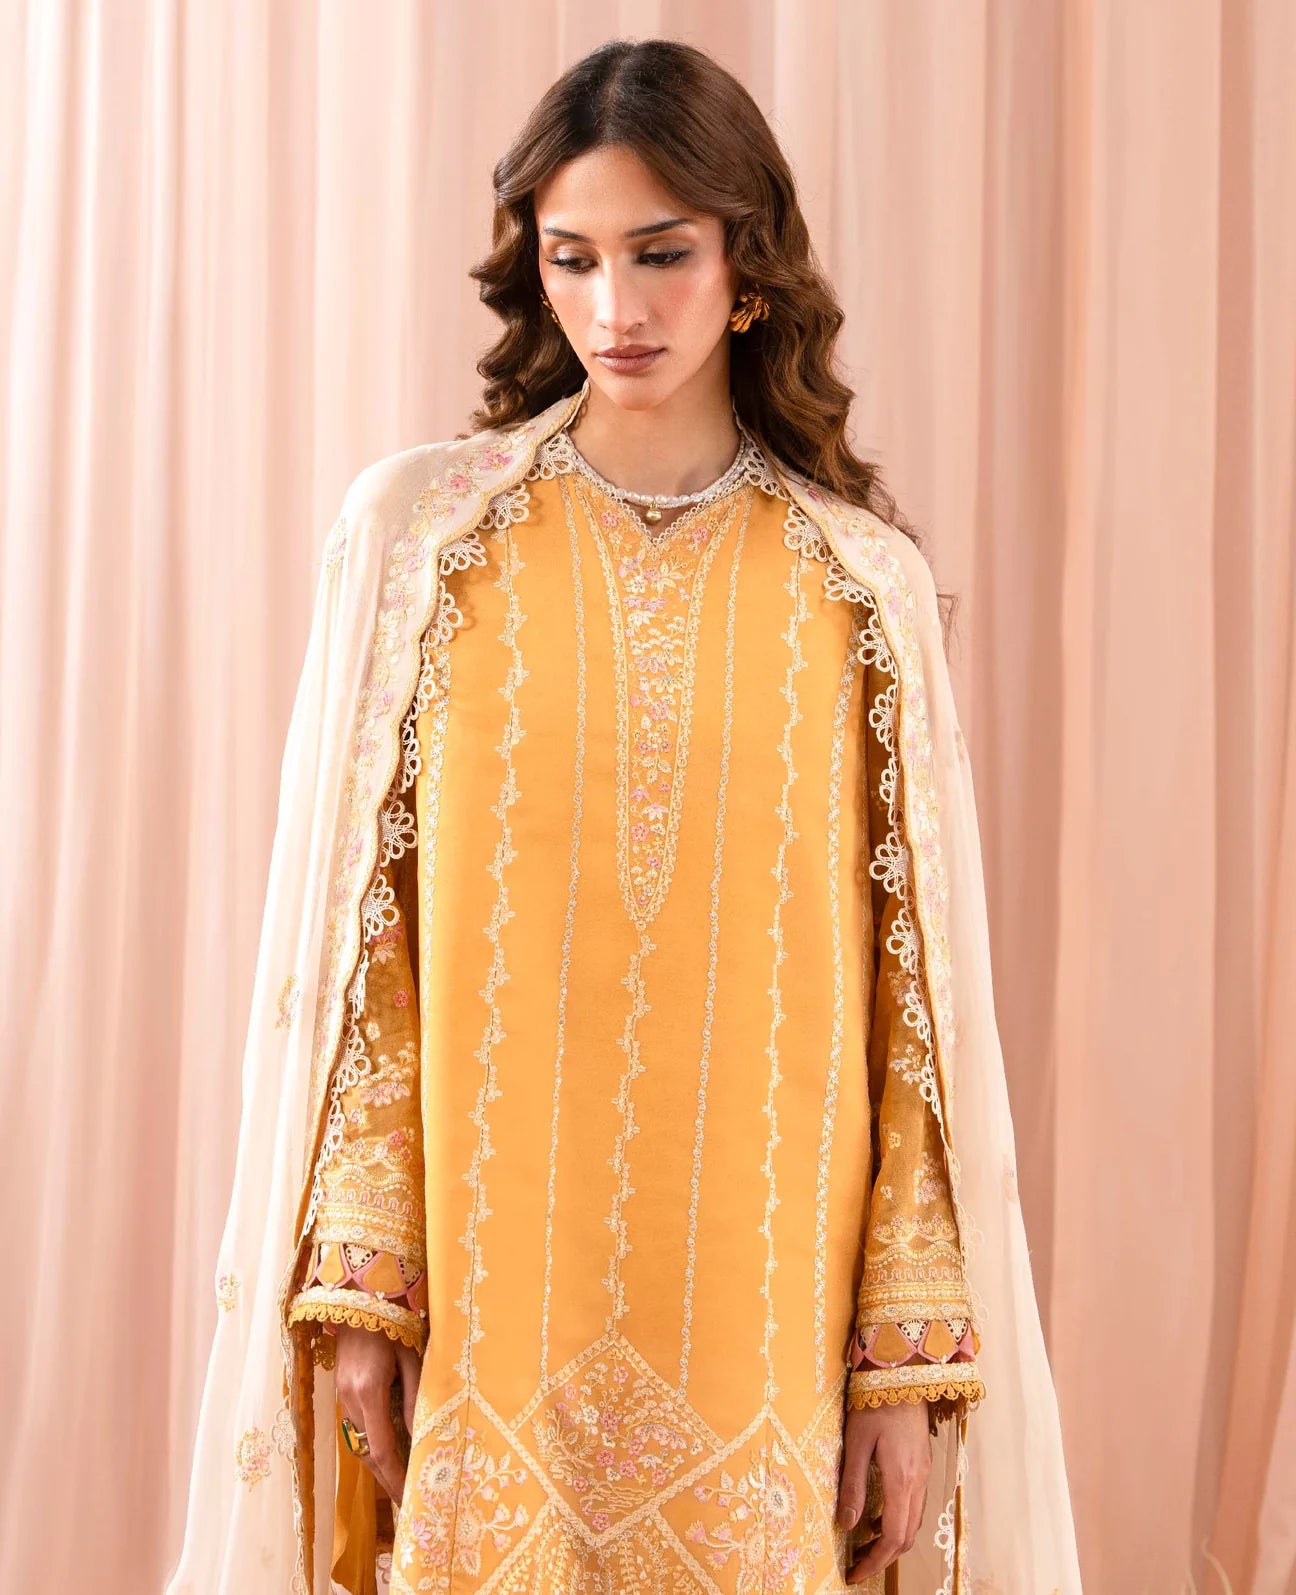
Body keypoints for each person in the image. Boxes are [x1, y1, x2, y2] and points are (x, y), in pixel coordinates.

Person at [165, 38, 1081, 1595]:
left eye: (662, 253)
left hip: (764, 1321)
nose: (615, 308)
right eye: (572, 257)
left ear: (749, 270)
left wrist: (902, 1358)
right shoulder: (424, 541)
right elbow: (371, 953)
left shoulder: (860, 587)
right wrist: (365, 1290)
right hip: (494, 1302)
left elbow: (912, 1008)